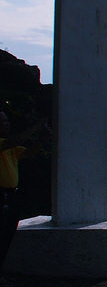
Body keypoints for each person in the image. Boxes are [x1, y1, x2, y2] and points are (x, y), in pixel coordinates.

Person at [0, 111, 45, 270]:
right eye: (3, 121)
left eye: (6, 121)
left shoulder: (10, 148)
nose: (6, 124)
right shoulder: (5, 144)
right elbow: (15, 141)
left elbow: (28, 153)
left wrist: (41, 141)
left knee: (7, 233)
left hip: (11, 194)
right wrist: (36, 126)